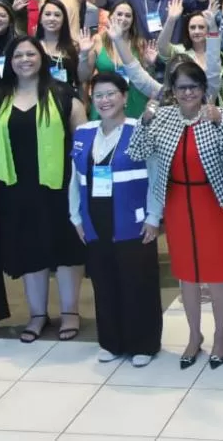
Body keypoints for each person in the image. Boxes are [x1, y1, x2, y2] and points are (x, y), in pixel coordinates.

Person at [127, 61, 223, 369]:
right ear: (173, 91)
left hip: (213, 202)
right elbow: (137, 153)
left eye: (194, 86)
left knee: (217, 275)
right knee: (187, 275)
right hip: (178, 202)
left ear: (203, 90)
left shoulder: (219, 115)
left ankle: (221, 335)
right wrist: (144, 120)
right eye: (182, 87)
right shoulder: (163, 117)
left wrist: (221, 122)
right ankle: (194, 336)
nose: (189, 93)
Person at [0, 36, 87, 342]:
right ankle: (38, 314)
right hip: (14, 190)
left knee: (66, 249)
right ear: (9, 62)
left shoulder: (64, 96)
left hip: (59, 188)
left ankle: (70, 312)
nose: (24, 59)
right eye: (18, 55)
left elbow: (83, 145)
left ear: (41, 57)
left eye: (30, 54)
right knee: (29, 251)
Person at [68, 72, 163, 367]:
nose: (105, 100)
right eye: (99, 95)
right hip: (95, 221)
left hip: (133, 221)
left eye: (111, 94)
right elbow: (74, 179)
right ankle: (111, 341)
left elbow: (157, 176)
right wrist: (75, 217)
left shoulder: (140, 129)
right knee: (104, 282)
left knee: (138, 282)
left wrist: (154, 217)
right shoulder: (84, 132)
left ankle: (143, 344)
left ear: (124, 97)